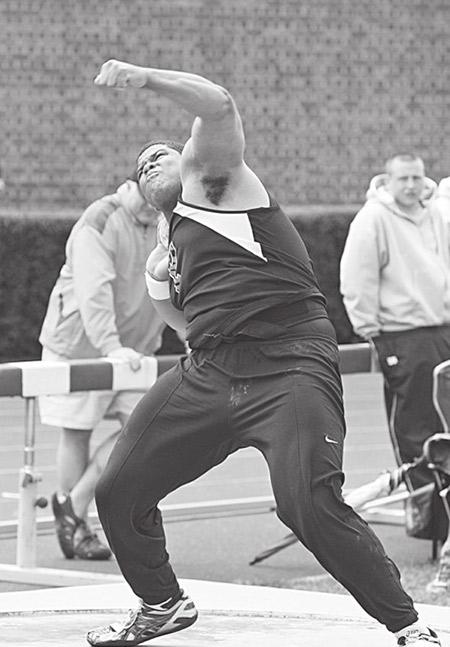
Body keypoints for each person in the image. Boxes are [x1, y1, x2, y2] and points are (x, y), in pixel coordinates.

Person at [86, 61, 441, 647]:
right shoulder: (165, 256)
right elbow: (184, 327)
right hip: (212, 371)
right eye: (141, 163)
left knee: (306, 503)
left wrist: (142, 78)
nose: (151, 161)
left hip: (289, 363)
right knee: (117, 491)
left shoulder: (218, 183)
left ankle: (408, 624)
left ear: (189, 159)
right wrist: (180, 311)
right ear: (143, 197)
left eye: (161, 152)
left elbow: (218, 103)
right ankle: (162, 603)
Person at [39, 171, 166, 560]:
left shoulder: (166, 222)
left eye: (157, 200)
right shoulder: (100, 219)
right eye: (143, 197)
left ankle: (72, 506)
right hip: (79, 347)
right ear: (126, 187)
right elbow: (93, 289)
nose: (150, 205)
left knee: (146, 428)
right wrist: (109, 346)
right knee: (77, 432)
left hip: (133, 351)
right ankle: (80, 531)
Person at [340, 155, 450, 541]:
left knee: (445, 427)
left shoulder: (436, 214)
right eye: (403, 178)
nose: (411, 185)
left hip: (442, 329)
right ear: (388, 181)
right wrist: (371, 332)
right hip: (403, 337)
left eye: (417, 177)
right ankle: (433, 524)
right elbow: (357, 275)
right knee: (416, 428)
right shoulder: (373, 219)